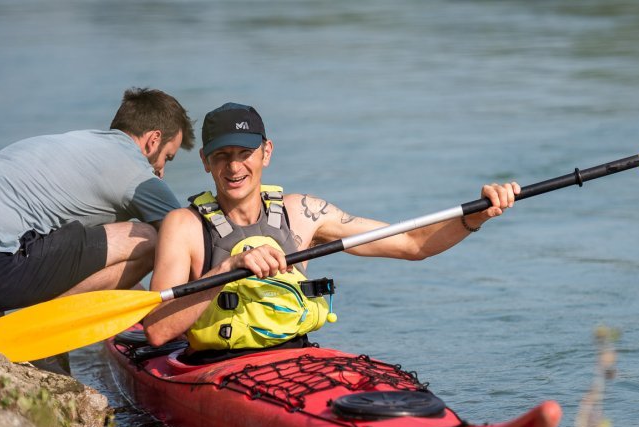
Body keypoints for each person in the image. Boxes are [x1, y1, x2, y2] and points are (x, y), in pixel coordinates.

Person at [142, 102, 520, 357]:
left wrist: (476, 216)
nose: (234, 167)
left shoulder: (304, 213)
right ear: (206, 161)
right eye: (222, 156)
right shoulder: (186, 226)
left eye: (245, 153)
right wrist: (226, 270)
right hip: (213, 370)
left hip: (296, 359)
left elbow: (411, 243)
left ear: (266, 153)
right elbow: (158, 331)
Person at [0, 87, 195, 340]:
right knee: (150, 239)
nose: (161, 171)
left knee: (38, 232)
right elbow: (189, 238)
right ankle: (30, 327)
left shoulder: (72, 144)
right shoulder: (135, 172)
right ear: (153, 140)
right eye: (166, 157)